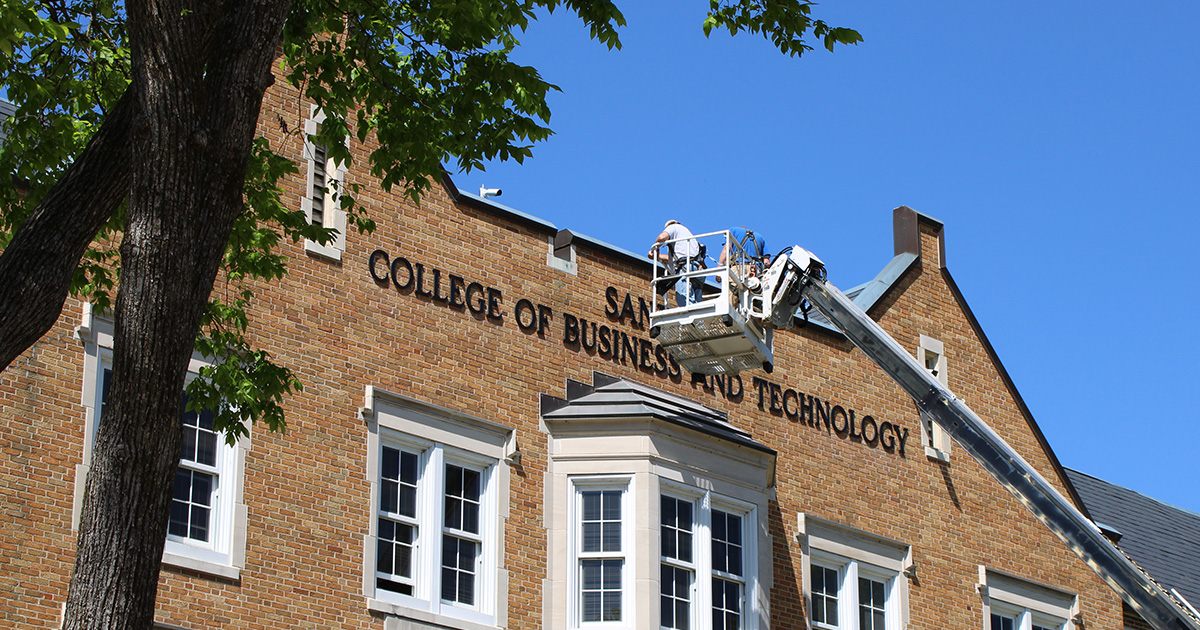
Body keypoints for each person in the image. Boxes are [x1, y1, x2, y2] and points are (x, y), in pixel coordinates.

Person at [649, 219, 704, 307]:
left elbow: (662, 237)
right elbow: (673, 259)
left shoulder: (673, 227)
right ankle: (699, 320)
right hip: (697, 268)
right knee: (697, 303)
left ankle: (691, 319)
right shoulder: (688, 237)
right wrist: (658, 257)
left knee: (683, 298)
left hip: (685, 268)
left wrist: (655, 249)